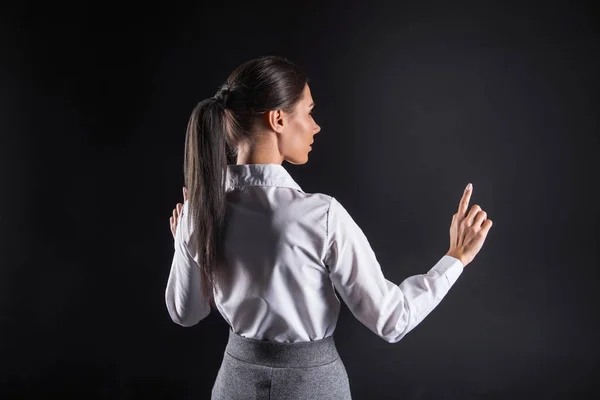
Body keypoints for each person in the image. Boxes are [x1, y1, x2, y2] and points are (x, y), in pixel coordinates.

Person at [165, 55, 493, 400]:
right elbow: (393, 320)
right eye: (308, 111)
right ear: (278, 118)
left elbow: (186, 313)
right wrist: (456, 258)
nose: (315, 125)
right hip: (312, 389)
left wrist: (183, 244)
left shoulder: (198, 212)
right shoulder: (319, 215)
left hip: (234, 386)